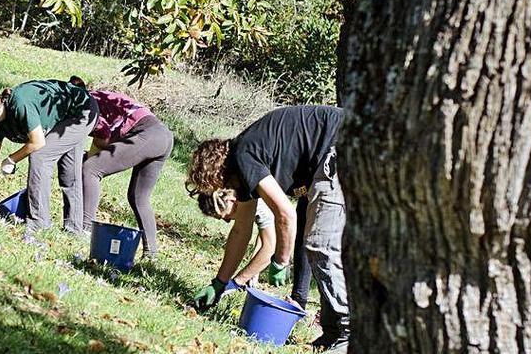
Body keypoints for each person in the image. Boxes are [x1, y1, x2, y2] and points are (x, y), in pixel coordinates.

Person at [185, 106, 348, 352]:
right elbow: (241, 231)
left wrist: (281, 260)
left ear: (216, 175)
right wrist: (219, 283)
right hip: (336, 150)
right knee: (325, 245)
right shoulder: (245, 161)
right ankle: (333, 333)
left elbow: (286, 214)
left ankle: (348, 332)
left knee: (321, 245)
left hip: (343, 145)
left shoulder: (244, 155)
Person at [0, 80, 99, 234]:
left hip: (82, 110)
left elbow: (37, 142)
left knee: (41, 156)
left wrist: (12, 159)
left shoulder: (20, 105)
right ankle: (74, 229)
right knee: (68, 170)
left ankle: (38, 224)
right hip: (66, 114)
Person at [71, 76, 173, 259]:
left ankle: (84, 229)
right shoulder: (101, 96)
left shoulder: (87, 103)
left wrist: (89, 156)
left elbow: (103, 136)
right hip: (163, 136)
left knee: (90, 169)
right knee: (138, 196)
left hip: (147, 133)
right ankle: (151, 254)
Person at [191, 192, 276, 305]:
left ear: (232, 201)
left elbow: (269, 249)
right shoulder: (246, 198)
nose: (227, 221)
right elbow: (240, 232)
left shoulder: (258, 202)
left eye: (226, 216)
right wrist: (219, 283)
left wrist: (236, 283)